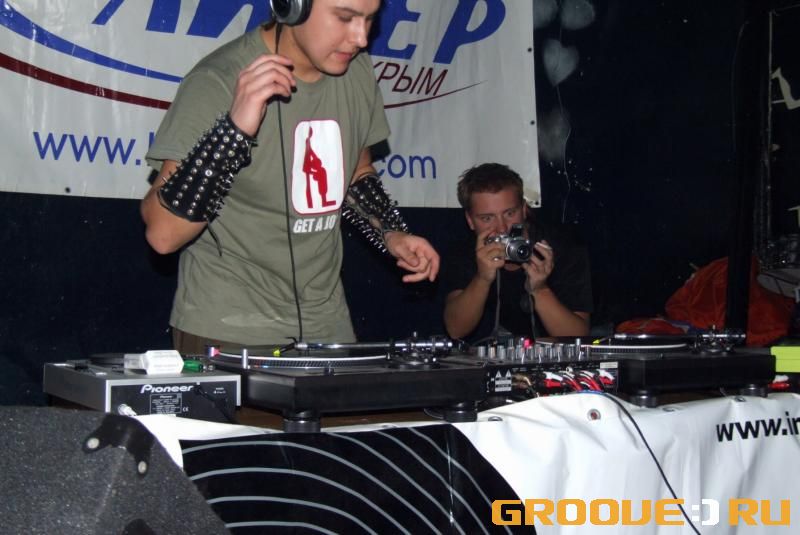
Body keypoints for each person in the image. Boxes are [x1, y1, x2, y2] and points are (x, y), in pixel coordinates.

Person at [141, 0, 439, 353]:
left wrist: (391, 231)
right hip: (227, 328)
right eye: (345, 18)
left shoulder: (356, 70)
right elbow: (163, 235)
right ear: (292, 6)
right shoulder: (217, 80)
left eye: (369, 19)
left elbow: (356, 171)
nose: (361, 38)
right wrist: (235, 130)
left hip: (327, 325)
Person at [442, 163, 592, 343]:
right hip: (514, 341)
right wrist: (482, 278)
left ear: (524, 209)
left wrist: (540, 290)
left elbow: (577, 338)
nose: (502, 228)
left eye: (509, 213)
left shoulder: (559, 246)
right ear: (470, 220)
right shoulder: (467, 251)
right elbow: (456, 330)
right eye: (487, 218)